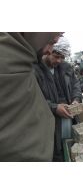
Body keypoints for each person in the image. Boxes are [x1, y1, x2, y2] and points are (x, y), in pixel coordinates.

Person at [0, 32, 62, 161]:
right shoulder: (14, 66)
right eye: (50, 42)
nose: (49, 51)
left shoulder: (24, 61)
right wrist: (55, 107)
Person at [34, 43, 82, 161]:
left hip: (67, 114)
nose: (59, 60)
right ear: (47, 52)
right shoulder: (35, 70)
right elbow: (34, 98)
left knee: (67, 142)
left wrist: (76, 99)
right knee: (53, 148)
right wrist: (54, 107)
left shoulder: (66, 67)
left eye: (62, 57)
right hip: (47, 118)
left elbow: (75, 85)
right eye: (56, 56)